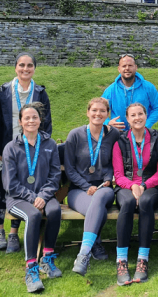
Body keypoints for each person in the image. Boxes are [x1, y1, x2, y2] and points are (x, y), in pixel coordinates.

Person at [0, 52, 52, 253]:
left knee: (26, 186)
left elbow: (46, 123)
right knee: (2, 189)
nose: (25, 69)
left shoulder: (40, 92)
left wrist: (42, 148)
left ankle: (13, 233)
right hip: (7, 149)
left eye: (29, 65)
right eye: (21, 65)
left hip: (32, 149)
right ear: (15, 67)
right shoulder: (3, 91)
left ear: (34, 68)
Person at [2, 103, 61, 293]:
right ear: (20, 121)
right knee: (34, 215)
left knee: (54, 210)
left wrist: (43, 196)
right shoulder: (11, 147)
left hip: (44, 195)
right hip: (18, 198)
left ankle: (47, 258)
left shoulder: (50, 144)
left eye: (34, 117)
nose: (31, 121)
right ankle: (31, 268)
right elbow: (10, 184)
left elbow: (55, 176)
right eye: (26, 118)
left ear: (40, 120)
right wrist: (32, 197)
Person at [112, 103, 158, 286]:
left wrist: (143, 185)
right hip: (126, 186)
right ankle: (121, 261)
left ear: (146, 115)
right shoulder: (119, 142)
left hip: (150, 185)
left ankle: (143, 260)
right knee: (127, 204)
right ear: (127, 119)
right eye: (133, 115)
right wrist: (132, 186)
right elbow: (118, 175)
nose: (137, 118)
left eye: (140, 114)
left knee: (145, 203)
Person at [64, 97, 119, 276]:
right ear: (87, 112)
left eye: (102, 111)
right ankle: (93, 244)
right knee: (97, 209)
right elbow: (70, 169)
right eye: (94, 110)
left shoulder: (113, 135)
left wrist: (108, 178)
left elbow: (115, 162)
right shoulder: (75, 134)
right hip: (78, 189)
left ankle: (83, 253)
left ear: (107, 114)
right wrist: (85, 185)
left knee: (101, 197)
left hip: (104, 188)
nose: (98, 114)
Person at [101, 54, 158, 131]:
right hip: (117, 133)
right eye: (124, 66)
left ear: (136, 67)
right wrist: (108, 122)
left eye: (130, 65)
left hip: (141, 132)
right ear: (119, 69)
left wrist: (147, 125)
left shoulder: (148, 87)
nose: (127, 68)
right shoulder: (110, 90)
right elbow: (100, 109)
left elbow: (157, 107)